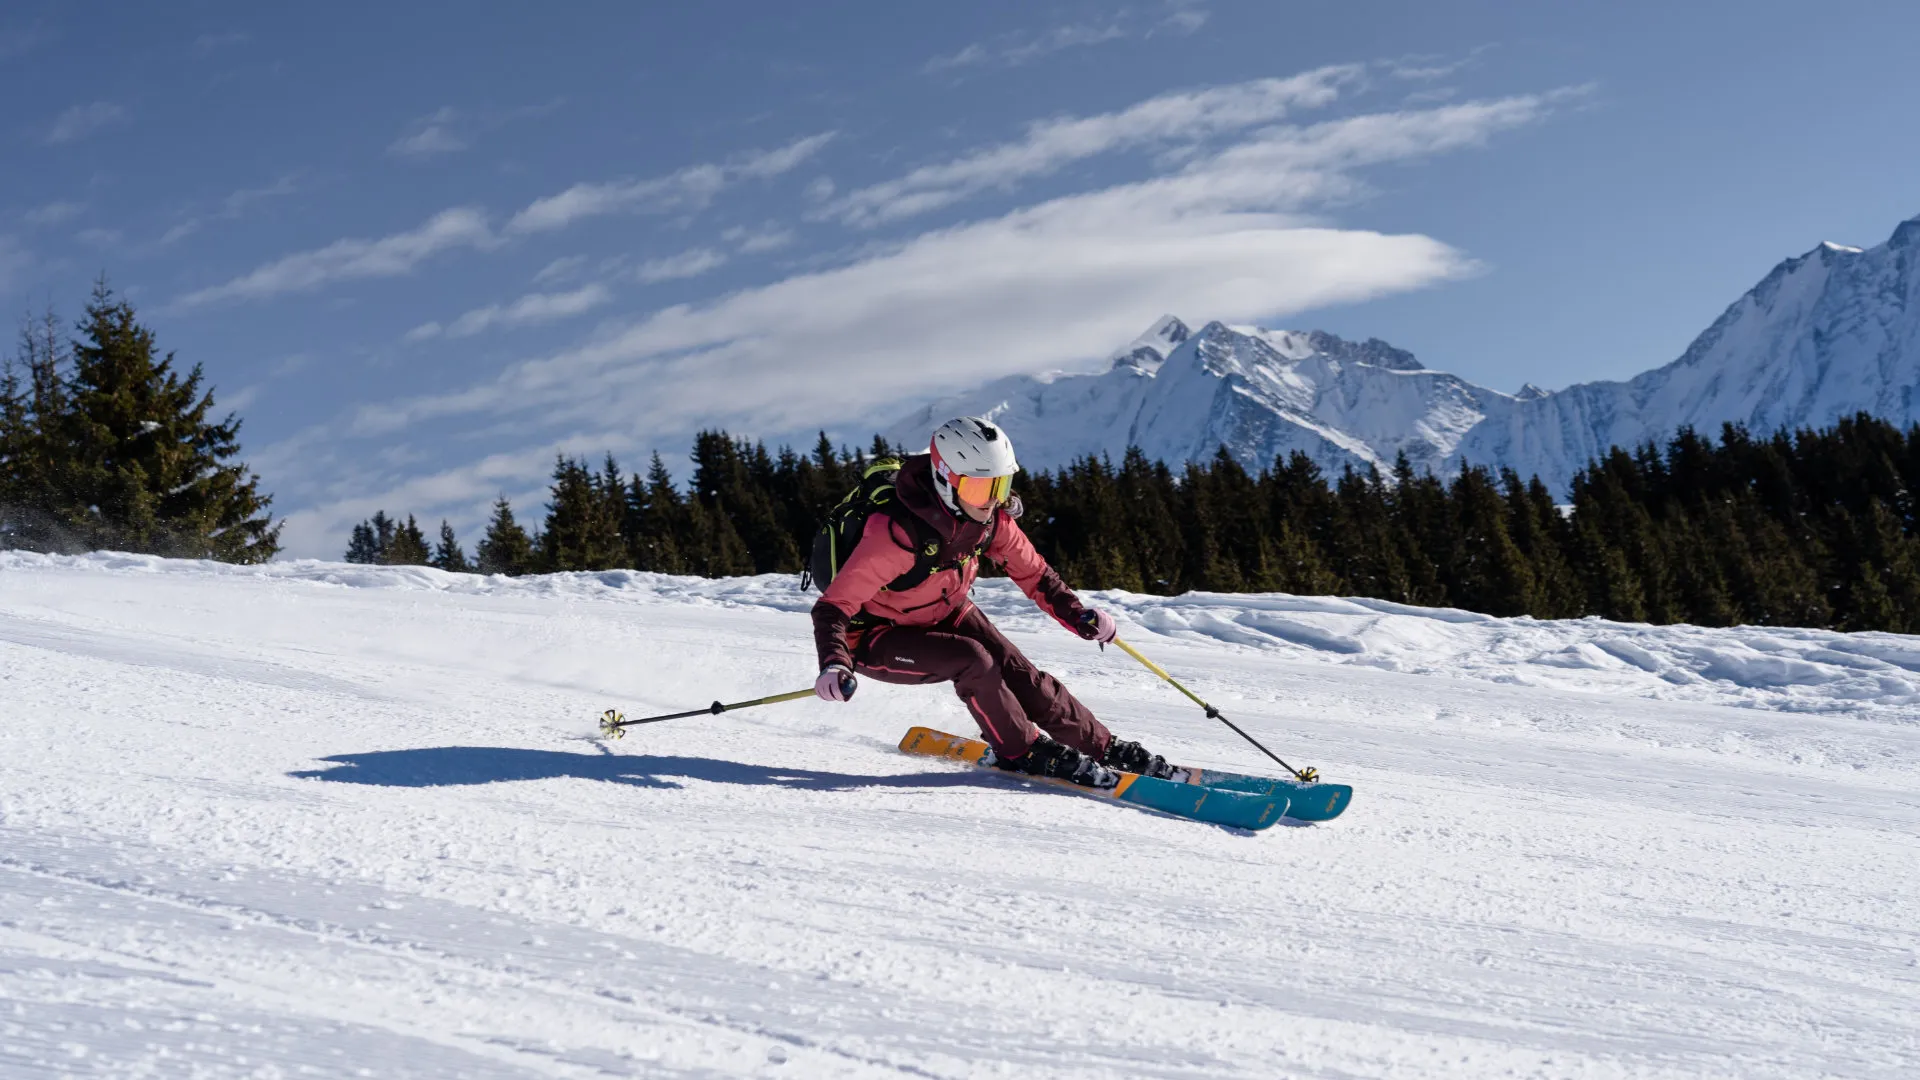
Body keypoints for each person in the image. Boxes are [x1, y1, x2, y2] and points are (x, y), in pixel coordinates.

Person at [810, 416, 1175, 788]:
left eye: (1000, 486)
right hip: (873, 635)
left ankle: (1102, 747)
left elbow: (1036, 575)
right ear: (946, 480)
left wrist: (1078, 614)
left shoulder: (990, 521)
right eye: (979, 488)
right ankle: (1022, 752)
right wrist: (834, 663)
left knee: (1021, 674)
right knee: (973, 660)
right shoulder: (897, 532)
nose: (991, 501)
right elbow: (833, 607)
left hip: (943, 609)